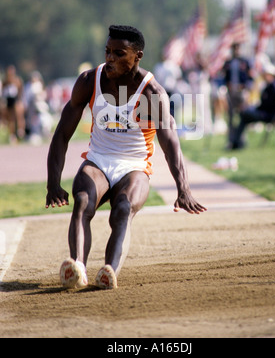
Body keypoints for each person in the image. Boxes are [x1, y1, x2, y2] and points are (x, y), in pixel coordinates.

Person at [46, 25, 206, 290]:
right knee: (83, 201)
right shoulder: (89, 81)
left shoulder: (151, 92)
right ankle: (77, 268)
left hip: (134, 165)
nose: (110, 58)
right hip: (98, 159)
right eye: (107, 51)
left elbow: (170, 143)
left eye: (119, 53)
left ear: (137, 56)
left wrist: (183, 188)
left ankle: (109, 272)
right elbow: (61, 134)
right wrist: (53, 183)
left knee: (122, 210)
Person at [230, 62, 275, 149]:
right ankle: (237, 142)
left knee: (244, 115)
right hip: (263, 112)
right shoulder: (268, 86)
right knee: (244, 116)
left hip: (268, 115)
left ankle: (236, 143)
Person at [222, 43, 253, 148]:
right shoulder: (228, 62)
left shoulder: (245, 62)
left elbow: (250, 77)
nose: (236, 50)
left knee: (243, 115)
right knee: (231, 116)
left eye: (238, 48)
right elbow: (224, 77)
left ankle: (241, 139)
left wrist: (247, 88)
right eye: (234, 48)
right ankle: (231, 140)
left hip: (241, 91)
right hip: (231, 92)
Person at [1, 65, 26, 143]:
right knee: (10, 119)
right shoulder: (5, 81)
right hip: (9, 100)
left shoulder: (17, 80)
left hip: (16, 100)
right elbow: (3, 92)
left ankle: (20, 132)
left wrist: (20, 100)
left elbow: (21, 91)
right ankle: (12, 136)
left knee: (19, 116)